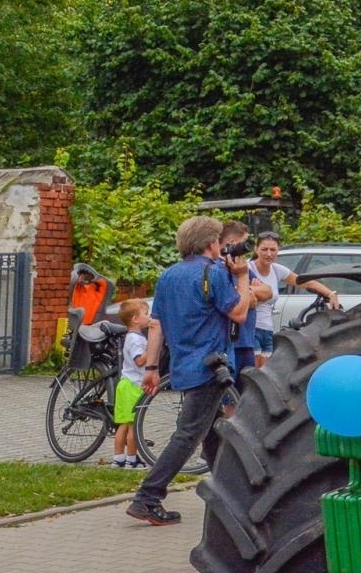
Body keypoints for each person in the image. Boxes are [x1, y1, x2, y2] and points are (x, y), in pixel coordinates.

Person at [127, 215, 255, 526]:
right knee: (187, 435)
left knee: (210, 433)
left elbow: (156, 325)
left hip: (184, 365)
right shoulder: (214, 273)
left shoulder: (168, 276)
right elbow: (238, 313)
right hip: (210, 366)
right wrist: (241, 277)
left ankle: (226, 495)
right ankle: (147, 497)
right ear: (212, 243)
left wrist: (153, 367)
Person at [249, 232, 341, 367]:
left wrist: (331, 294)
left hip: (267, 329)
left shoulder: (276, 270)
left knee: (264, 371)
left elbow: (305, 282)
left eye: (273, 250)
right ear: (256, 249)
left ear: (277, 251)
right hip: (251, 328)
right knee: (253, 370)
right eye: (264, 249)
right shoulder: (247, 269)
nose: (268, 254)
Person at [220, 221, 273, 396]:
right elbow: (235, 302)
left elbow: (267, 292)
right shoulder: (220, 269)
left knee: (246, 394)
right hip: (230, 344)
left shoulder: (240, 267)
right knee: (229, 395)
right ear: (232, 243)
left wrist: (248, 293)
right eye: (244, 243)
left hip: (246, 341)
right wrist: (248, 296)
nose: (246, 249)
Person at [111, 298, 150, 470]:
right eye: (146, 314)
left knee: (123, 425)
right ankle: (131, 460)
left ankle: (118, 459)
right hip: (134, 386)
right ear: (135, 319)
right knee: (134, 426)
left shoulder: (130, 337)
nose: (148, 317)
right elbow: (140, 361)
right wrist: (151, 350)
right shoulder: (136, 339)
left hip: (124, 384)